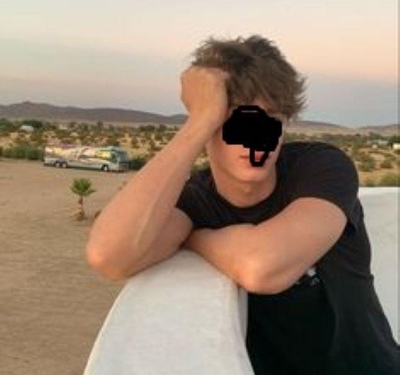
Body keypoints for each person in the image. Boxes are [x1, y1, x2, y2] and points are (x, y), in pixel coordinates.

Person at [86, 35, 399, 375]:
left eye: (271, 120)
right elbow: (109, 257)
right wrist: (197, 123)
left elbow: (261, 267)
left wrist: (195, 237)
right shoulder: (195, 199)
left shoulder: (320, 168)